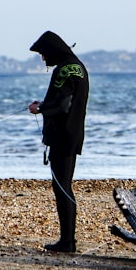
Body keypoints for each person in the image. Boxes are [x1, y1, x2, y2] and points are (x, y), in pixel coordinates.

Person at [28, 31, 89, 253]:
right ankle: (67, 240)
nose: (43, 59)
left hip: (63, 136)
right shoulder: (77, 66)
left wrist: (40, 108)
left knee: (62, 187)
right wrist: (45, 103)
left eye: (43, 54)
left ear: (53, 51)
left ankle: (67, 242)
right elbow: (67, 101)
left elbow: (62, 107)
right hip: (73, 134)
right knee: (64, 185)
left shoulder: (64, 70)